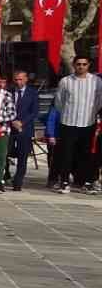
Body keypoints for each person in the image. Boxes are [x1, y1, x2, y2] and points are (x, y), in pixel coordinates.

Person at [52, 56, 100, 194]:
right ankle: (64, 182)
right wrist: (67, 113)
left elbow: (99, 101)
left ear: (89, 65)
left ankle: (86, 182)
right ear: (74, 65)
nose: (81, 66)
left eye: (84, 64)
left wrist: (91, 114)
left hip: (87, 122)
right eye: (78, 64)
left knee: (86, 154)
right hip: (69, 122)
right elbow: (59, 102)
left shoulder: (96, 81)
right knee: (66, 153)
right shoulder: (66, 81)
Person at [9, 69, 40, 191]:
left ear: (26, 79)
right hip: (10, 127)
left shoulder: (32, 93)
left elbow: (34, 112)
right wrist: (13, 121)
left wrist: (22, 122)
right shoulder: (8, 92)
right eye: (16, 79)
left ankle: (18, 181)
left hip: (25, 129)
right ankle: (5, 174)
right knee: (7, 152)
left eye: (20, 79)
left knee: (23, 156)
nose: (18, 82)